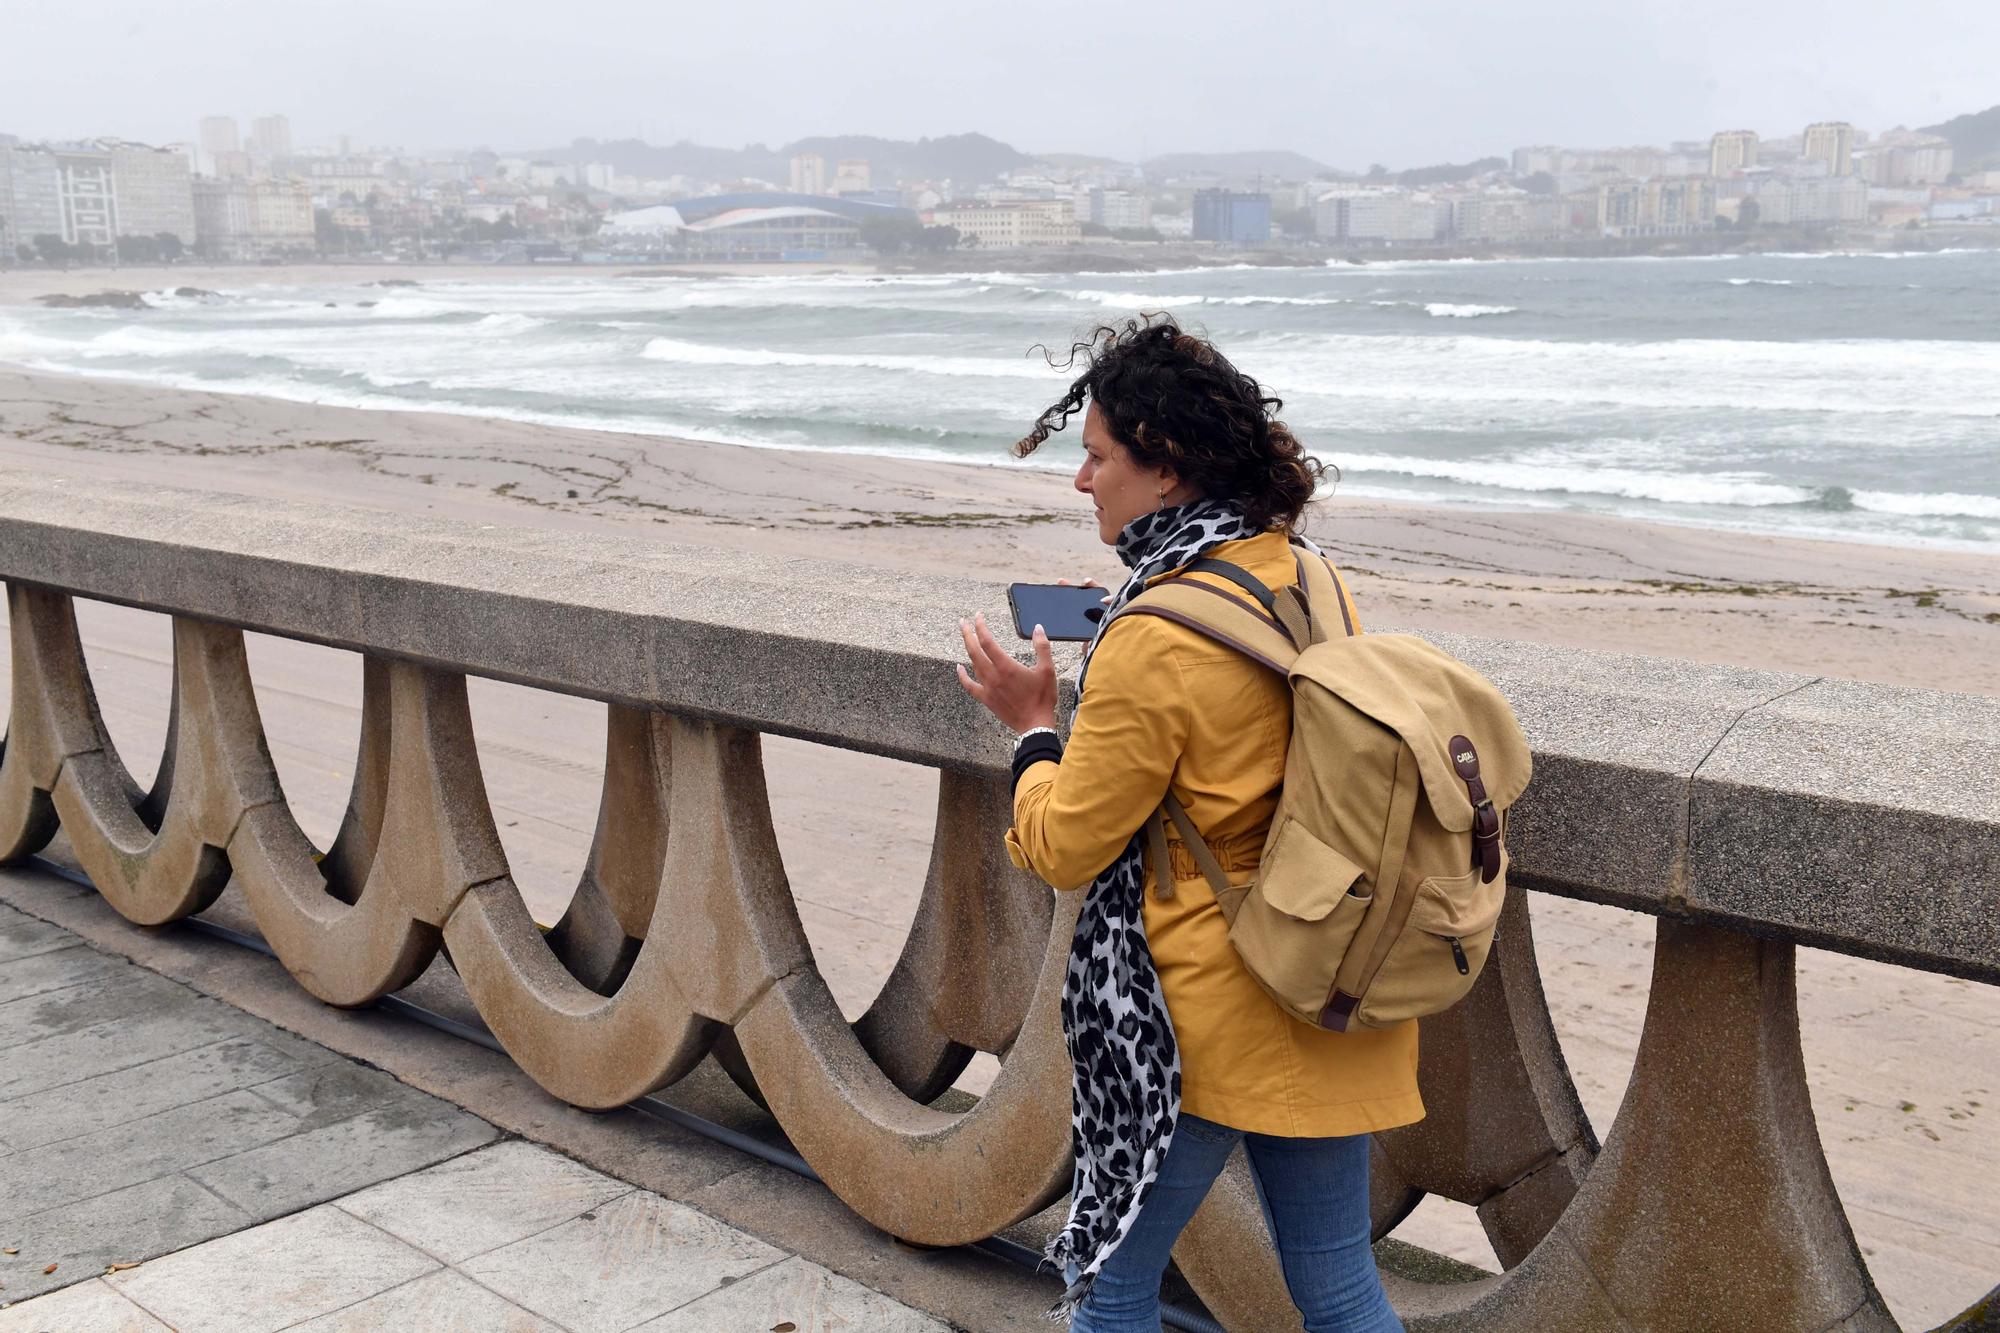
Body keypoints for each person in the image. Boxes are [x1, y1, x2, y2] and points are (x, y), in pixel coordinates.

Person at [955, 316, 1417, 1332]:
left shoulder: (1155, 637)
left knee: (1111, 1285)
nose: (1082, 481)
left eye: (1096, 456)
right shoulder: (1303, 573)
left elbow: (1067, 843)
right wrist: (1128, 615)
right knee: (1337, 1285)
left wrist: (1036, 730)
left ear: (1163, 472)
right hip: (1323, 964)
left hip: (1198, 1014)